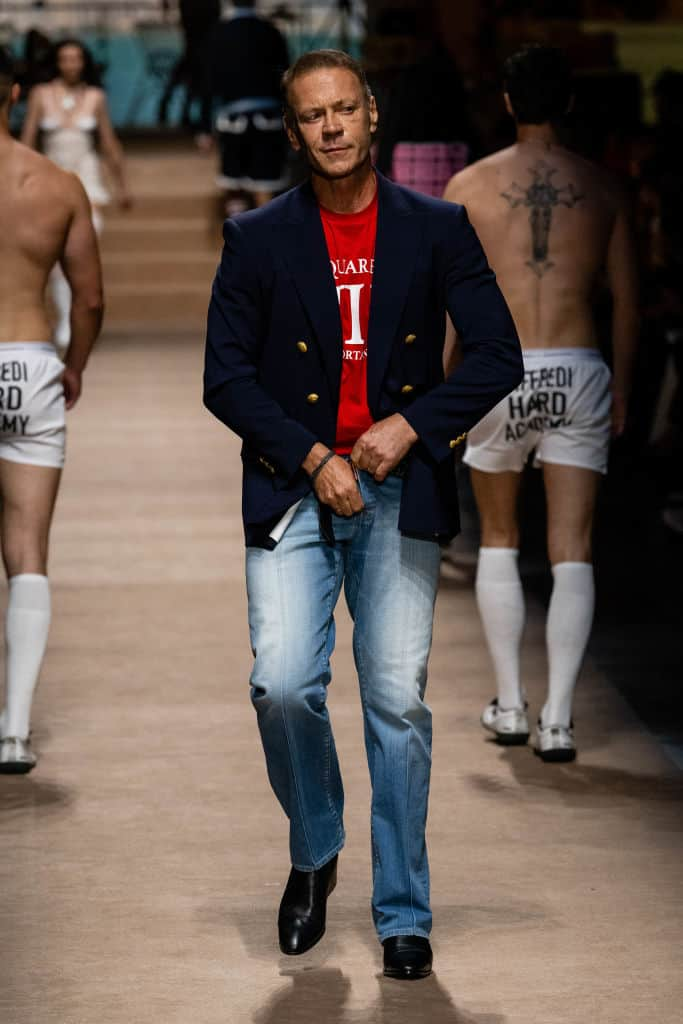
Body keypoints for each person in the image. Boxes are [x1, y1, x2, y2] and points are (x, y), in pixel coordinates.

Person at [204, 49, 522, 978]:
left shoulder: (437, 228)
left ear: (372, 116)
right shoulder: (257, 237)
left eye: (345, 109)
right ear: (294, 130)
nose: (332, 127)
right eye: (313, 116)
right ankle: (315, 849)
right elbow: (225, 375)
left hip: (398, 490)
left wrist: (410, 428)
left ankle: (403, 913)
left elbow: (498, 355)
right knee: (283, 685)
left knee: (393, 700)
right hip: (292, 485)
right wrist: (312, 455)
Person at [443, 44, 639, 762]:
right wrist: (619, 384)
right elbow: (626, 302)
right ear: (570, 103)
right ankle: (558, 716)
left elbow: (448, 302)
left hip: (498, 367)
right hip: (578, 364)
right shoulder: (604, 188)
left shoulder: (466, 186)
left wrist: (442, 391)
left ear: (504, 101)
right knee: (571, 547)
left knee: (497, 537)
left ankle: (511, 704)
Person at [0, 48, 103, 772]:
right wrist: (75, 366)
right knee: (29, 549)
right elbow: (90, 298)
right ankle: (15, 728)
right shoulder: (58, 183)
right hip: (33, 366)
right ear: (11, 92)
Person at [20, 38, 129, 348]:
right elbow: (28, 140)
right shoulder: (41, 95)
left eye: (77, 58)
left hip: (87, 178)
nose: (71, 64)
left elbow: (108, 142)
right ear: (57, 62)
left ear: (84, 62)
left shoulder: (96, 96)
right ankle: (67, 317)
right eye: (65, 58)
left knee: (87, 240)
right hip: (50, 177)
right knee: (53, 253)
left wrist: (122, 186)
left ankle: (80, 314)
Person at [207, 0, 290, 213]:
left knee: (234, 187)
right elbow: (286, 78)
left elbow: (208, 82)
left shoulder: (218, 33)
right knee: (265, 186)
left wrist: (204, 128)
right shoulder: (271, 32)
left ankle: (238, 239)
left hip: (232, 120)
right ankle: (268, 240)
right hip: (268, 119)